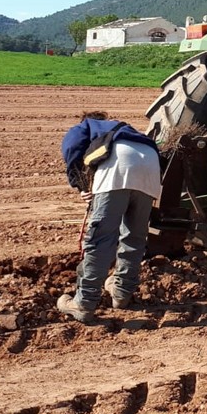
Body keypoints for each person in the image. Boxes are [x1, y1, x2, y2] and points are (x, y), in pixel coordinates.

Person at [58, 111, 162, 323]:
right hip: (151, 165)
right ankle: (122, 293)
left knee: (101, 238)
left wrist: (80, 184)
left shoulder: (87, 125)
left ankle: (84, 303)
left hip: (120, 165)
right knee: (134, 236)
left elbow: (71, 146)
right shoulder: (125, 129)